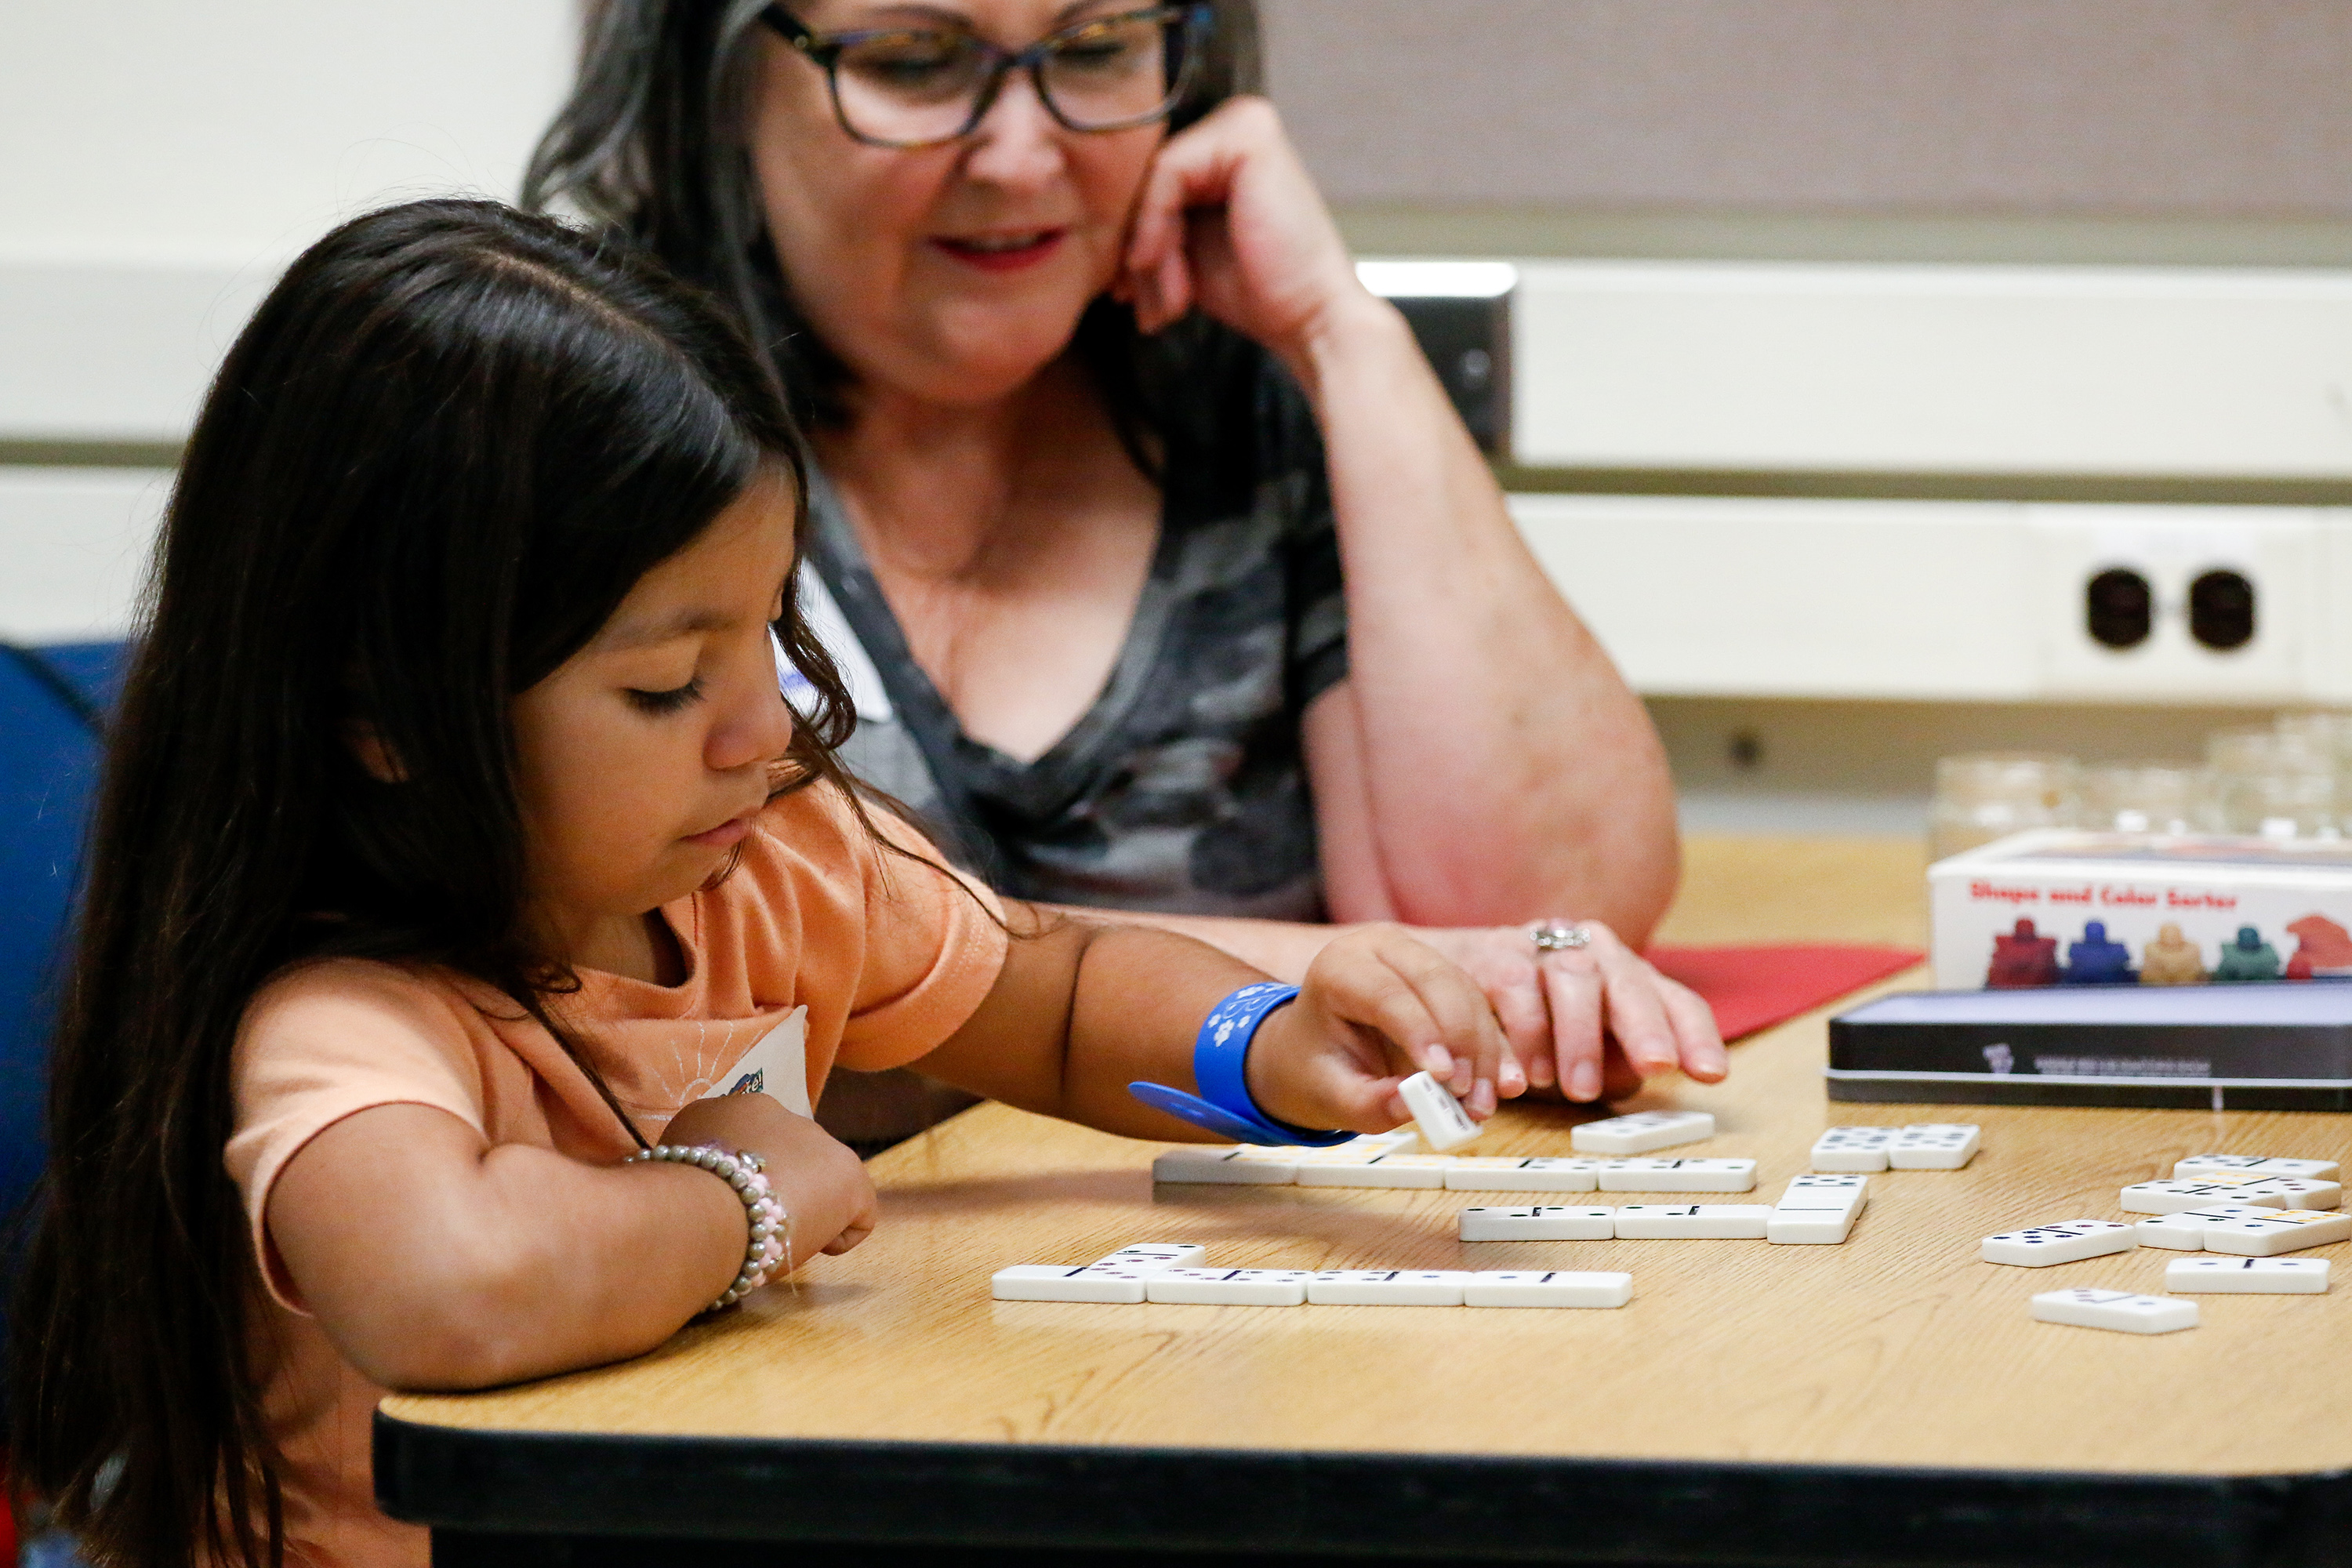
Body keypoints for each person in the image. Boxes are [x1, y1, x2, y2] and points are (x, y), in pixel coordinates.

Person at [5, 199, 1548, 1568]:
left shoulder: (775, 856)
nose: (764, 729)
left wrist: (1269, 1045)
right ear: (389, 721)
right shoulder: (344, 1010)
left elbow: (1057, 990)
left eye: (769, 632)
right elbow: (452, 1286)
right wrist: (745, 1194)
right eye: (669, 683)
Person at [524, 0, 1724, 1111]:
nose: (1019, 156)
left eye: (1095, 48)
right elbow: (764, 944)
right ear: (715, 84)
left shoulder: (1237, 395)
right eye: (913, 63)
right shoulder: (592, 415)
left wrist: (1338, 333)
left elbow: (1546, 937)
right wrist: (1334, 980)